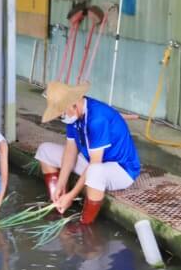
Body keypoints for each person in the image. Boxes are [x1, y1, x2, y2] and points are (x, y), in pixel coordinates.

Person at [35, 81, 141, 225]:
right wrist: (61, 183)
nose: (62, 118)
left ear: (73, 104)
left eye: (62, 114)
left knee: (95, 171)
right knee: (45, 150)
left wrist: (72, 195)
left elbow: (94, 163)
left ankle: (85, 224)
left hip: (120, 170)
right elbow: (70, 150)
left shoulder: (97, 119)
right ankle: (58, 202)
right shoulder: (74, 115)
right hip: (93, 162)